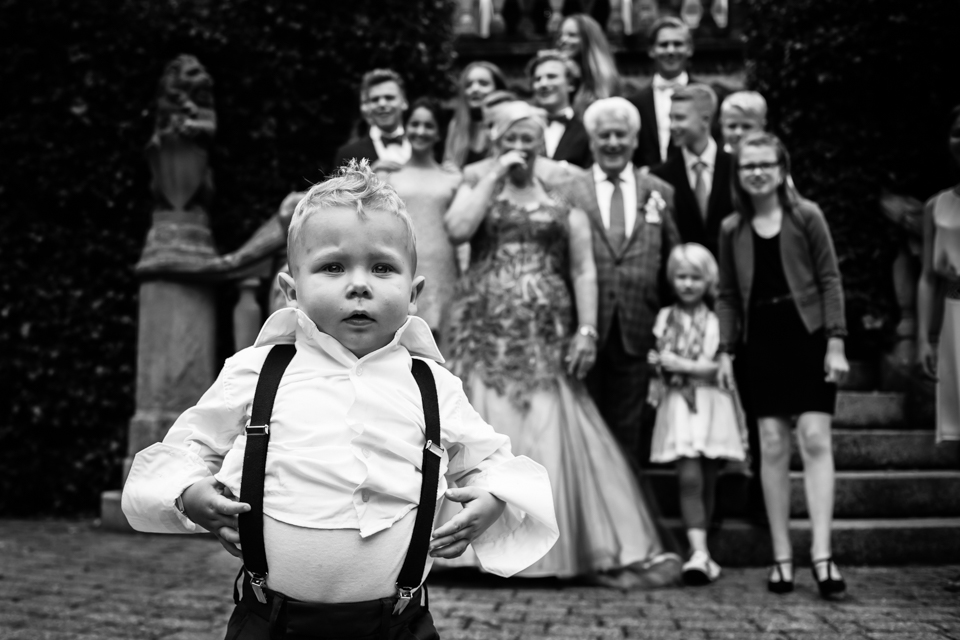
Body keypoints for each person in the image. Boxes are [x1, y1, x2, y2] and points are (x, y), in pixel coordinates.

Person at [121, 162, 559, 639]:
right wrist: (190, 493)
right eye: (333, 267)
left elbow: (490, 461)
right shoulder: (257, 371)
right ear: (291, 291)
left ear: (413, 293)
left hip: (396, 625)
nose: (359, 284)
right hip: (272, 623)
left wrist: (492, 500)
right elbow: (189, 448)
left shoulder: (432, 384)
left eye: (382, 268)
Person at [442, 101, 681, 586]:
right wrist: (496, 173)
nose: (521, 147)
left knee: (550, 423)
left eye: (529, 139)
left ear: (541, 145)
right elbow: (457, 229)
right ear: (497, 142)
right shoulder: (478, 185)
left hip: (543, 332)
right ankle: (469, 547)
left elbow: (583, 268)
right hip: (484, 331)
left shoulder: (561, 198)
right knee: (483, 424)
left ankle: (549, 546)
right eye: (512, 139)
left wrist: (586, 329)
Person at [716, 132, 849, 600]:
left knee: (814, 438)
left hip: (807, 336)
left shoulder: (806, 215)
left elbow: (830, 279)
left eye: (765, 164)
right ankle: (781, 557)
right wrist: (726, 350)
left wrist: (836, 342)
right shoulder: (732, 227)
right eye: (748, 165)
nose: (756, 172)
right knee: (771, 444)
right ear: (739, 174)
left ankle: (823, 555)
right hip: (760, 342)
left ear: (781, 169)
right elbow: (726, 295)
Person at [568, 97, 680, 463]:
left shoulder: (660, 191)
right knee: (583, 434)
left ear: (635, 139)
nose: (613, 142)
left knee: (628, 436)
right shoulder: (569, 191)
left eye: (621, 134)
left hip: (638, 329)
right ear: (592, 141)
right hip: (581, 332)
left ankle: (626, 500)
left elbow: (673, 261)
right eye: (604, 135)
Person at [647, 243, 747, 585]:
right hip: (679, 405)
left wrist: (682, 364)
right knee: (689, 476)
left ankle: (703, 551)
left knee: (708, 477)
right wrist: (658, 365)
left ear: (708, 281)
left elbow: (719, 368)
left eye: (695, 277)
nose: (688, 284)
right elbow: (662, 360)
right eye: (681, 277)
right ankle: (699, 552)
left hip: (711, 404)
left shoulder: (718, 321)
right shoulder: (665, 317)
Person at [918, 105, 960, 594]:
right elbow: (928, 276)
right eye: (956, 133)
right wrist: (922, 338)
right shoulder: (937, 205)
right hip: (953, 320)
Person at [382, 98, 462, 348]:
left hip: (442, 267)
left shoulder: (452, 178)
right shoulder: (389, 176)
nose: (421, 131)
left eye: (429, 126)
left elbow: (461, 232)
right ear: (406, 127)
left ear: (438, 133)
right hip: (401, 263)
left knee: (443, 344)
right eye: (415, 124)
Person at [651, 83, 733, 258]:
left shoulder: (735, 167)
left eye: (680, 118)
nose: (672, 126)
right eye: (670, 118)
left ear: (705, 120)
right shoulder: (660, 176)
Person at [628, 17, 696, 169]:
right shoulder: (635, 102)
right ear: (651, 50)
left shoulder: (705, 96)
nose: (670, 51)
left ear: (689, 49)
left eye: (677, 44)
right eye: (664, 45)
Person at [528, 50, 593, 168]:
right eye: (537, 79)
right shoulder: (524, 128)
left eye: (551, 76)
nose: (543, 83)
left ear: (571, 84)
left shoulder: (587, 129)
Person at [334, 69, 410, 169]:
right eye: (375, 99)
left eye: (389, 97)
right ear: (368, 106)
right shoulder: (347, 154)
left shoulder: (427, 145)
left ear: (404, 102)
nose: (382, 104)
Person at [556, 14, 623, 118]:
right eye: (561, 35)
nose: (563, 40)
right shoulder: (558, 71)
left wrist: (579, 78)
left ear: (588, 40)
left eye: (572, 35)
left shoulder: (605, 78)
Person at [443, 62, 508, 169]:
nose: (475, 88)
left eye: (483, 83)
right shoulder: (456, 125)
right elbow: (448, 163)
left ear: (497, 89)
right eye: (468, 85)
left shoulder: (508, 124)